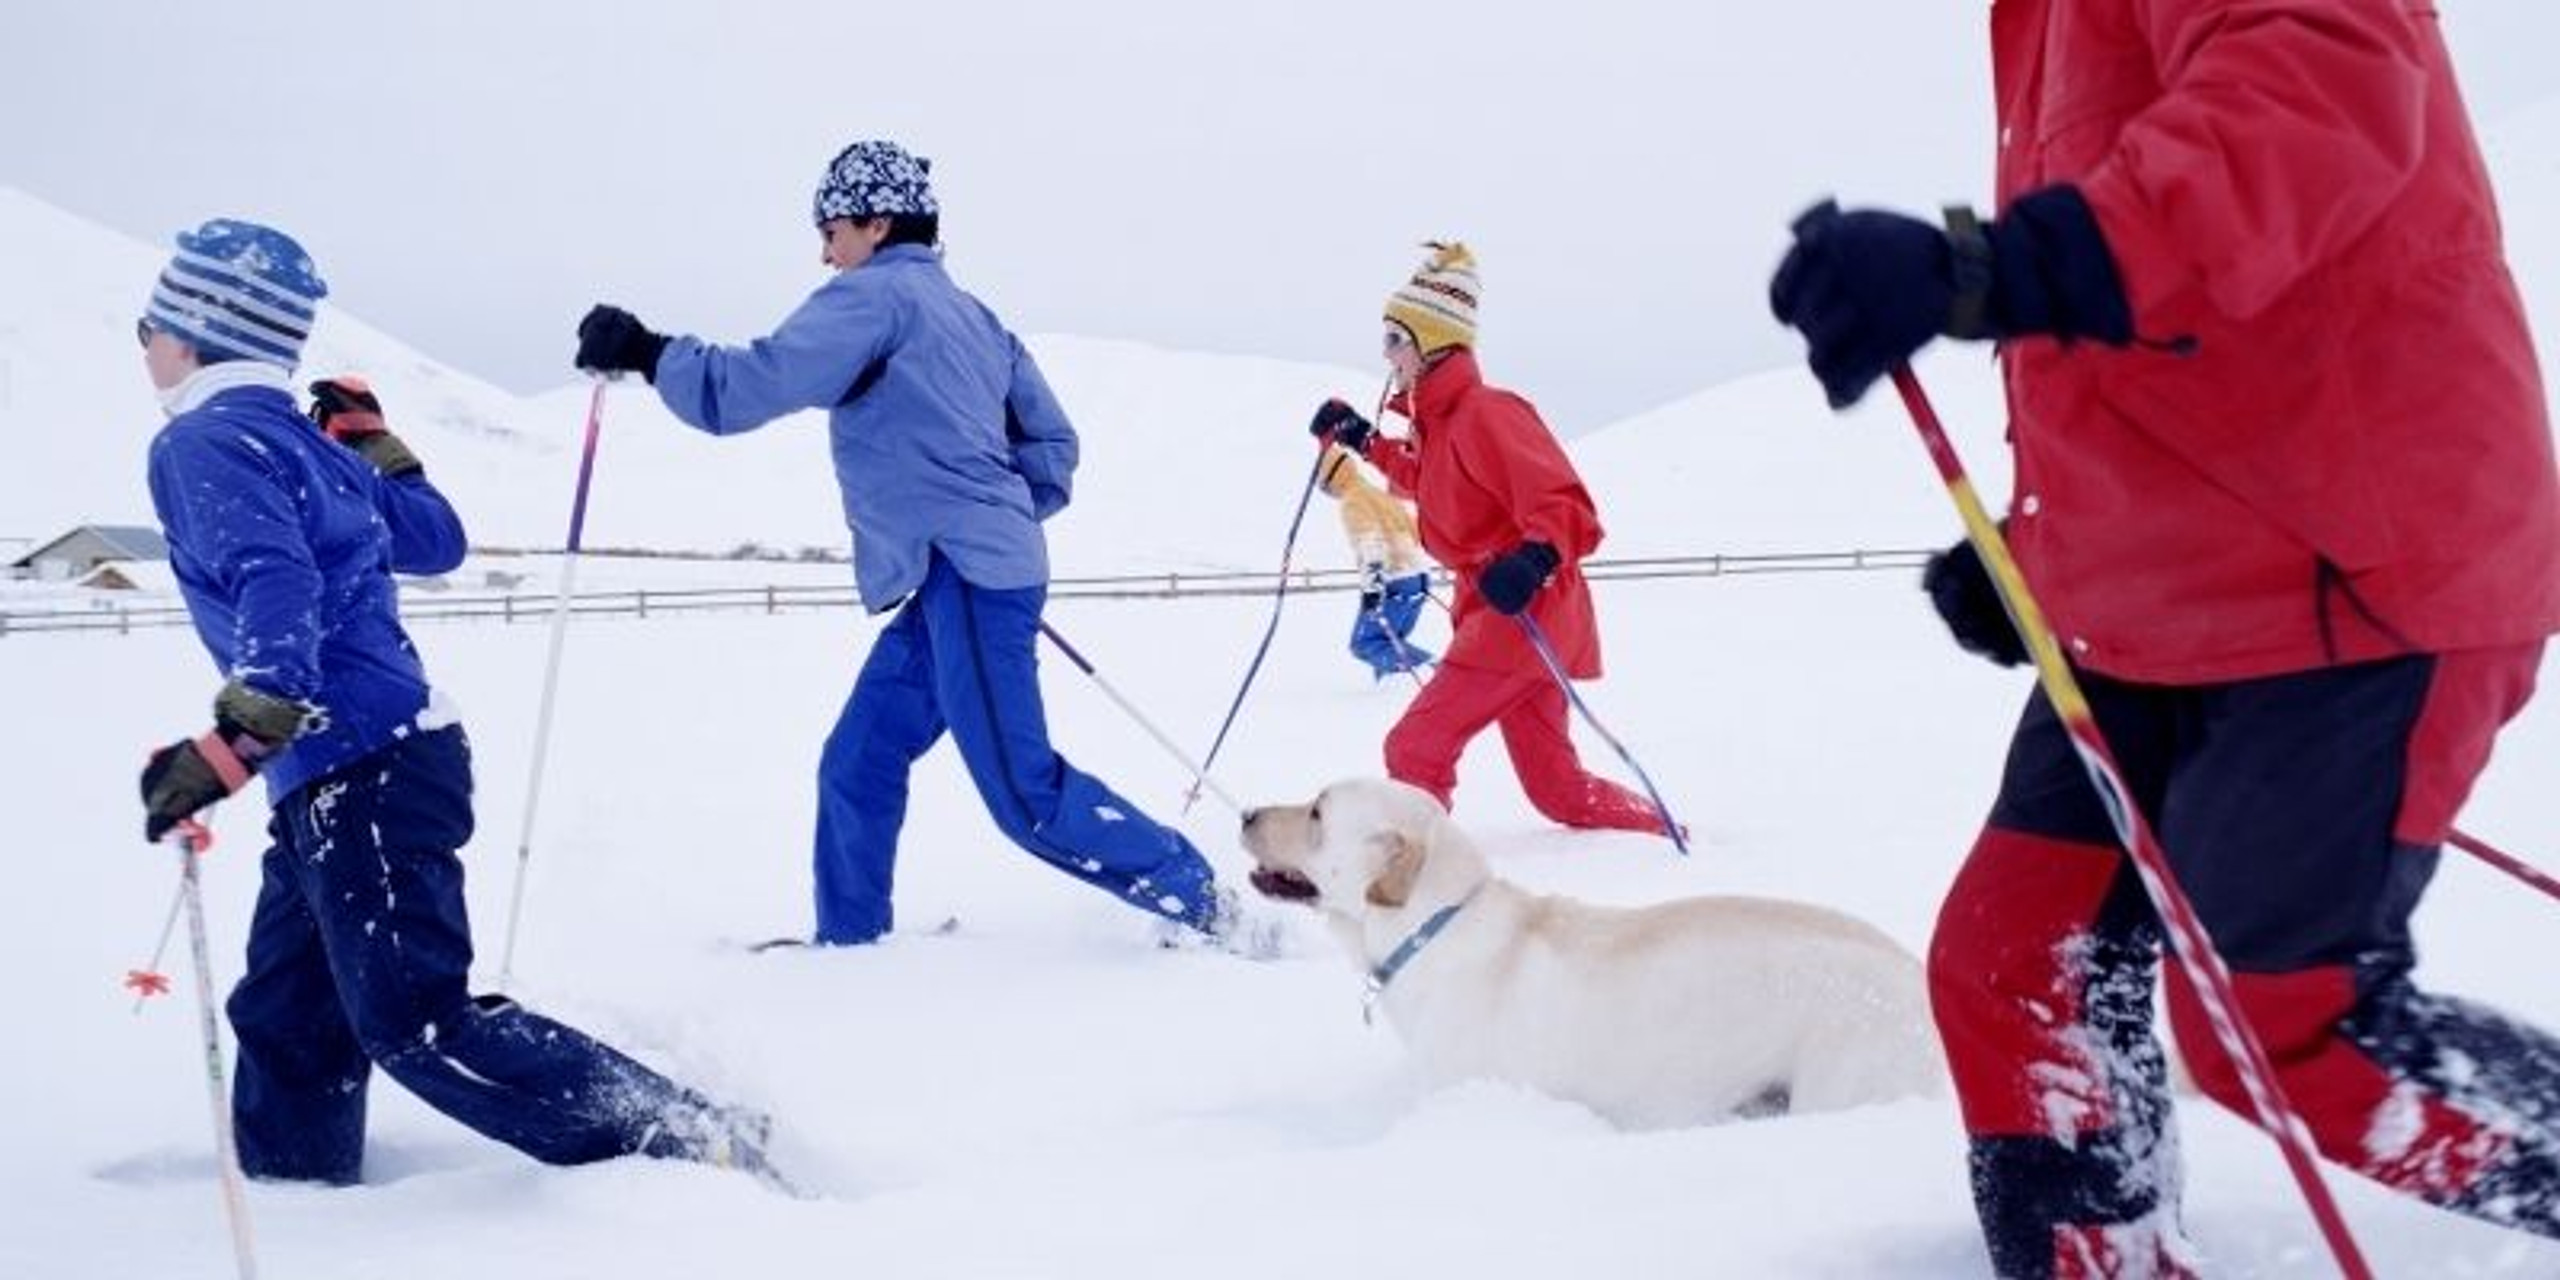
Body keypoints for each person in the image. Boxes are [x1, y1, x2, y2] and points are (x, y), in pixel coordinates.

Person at [1768, 5, 2560, 1274]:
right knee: (2015, 963)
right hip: (2164, 604)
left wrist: (1981, 270)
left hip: (2352, 578)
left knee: (2289, 1020)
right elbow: (2158, 339)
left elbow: (2311, 109)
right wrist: (2045, 555)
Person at [133, 219, 768, 1186]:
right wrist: (373, 442)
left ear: (195, 330)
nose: (142, 341)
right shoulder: (310, 448)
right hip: (350, 769)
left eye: (151, 320)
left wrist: (226, 750)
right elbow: (434, 538)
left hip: (361, 766)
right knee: (289, 1014)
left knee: (417, 1022)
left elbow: (278, 593)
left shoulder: (204, 444)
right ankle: (299, 1189)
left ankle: (687, 1138)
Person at [571, 140, 1255, 951]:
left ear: (878, 222)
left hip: (966, 577)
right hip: (953, 577)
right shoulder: (974, 317)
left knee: (1022, 794)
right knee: (858, 759)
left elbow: (745, 387)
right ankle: (851, 947)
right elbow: (1053, 446)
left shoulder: (871, 300)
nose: (825, 252)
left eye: (831, 230)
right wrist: (999, 518)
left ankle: (1201, 899)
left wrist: (649, 351)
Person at [1310, 242, 1671, 838]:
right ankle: (1665, 829)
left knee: (1415, 748)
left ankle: (1421, 881)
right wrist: (1361, 438)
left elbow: (1566, 503)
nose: (1385, 353)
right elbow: (1426, 480)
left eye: (1395, 339)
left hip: (1523, 610)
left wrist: (1533, 559)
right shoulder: (1443, 426)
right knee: (1557, 791)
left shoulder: (1489, 412)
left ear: (1430, 343)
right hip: (1503, 613)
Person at [1316, 441, 1435, 680]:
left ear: (1332, 479)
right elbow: (1415, 530)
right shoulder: (1378, 494)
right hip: (1418, 579)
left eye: (1324, 487)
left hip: (1395, 581)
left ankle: (1434, 672)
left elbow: (1370, 545)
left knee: (1365, 642)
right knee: (1391, 642)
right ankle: (1384, 692)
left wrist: (1373, 587)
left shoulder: (1353, 501)